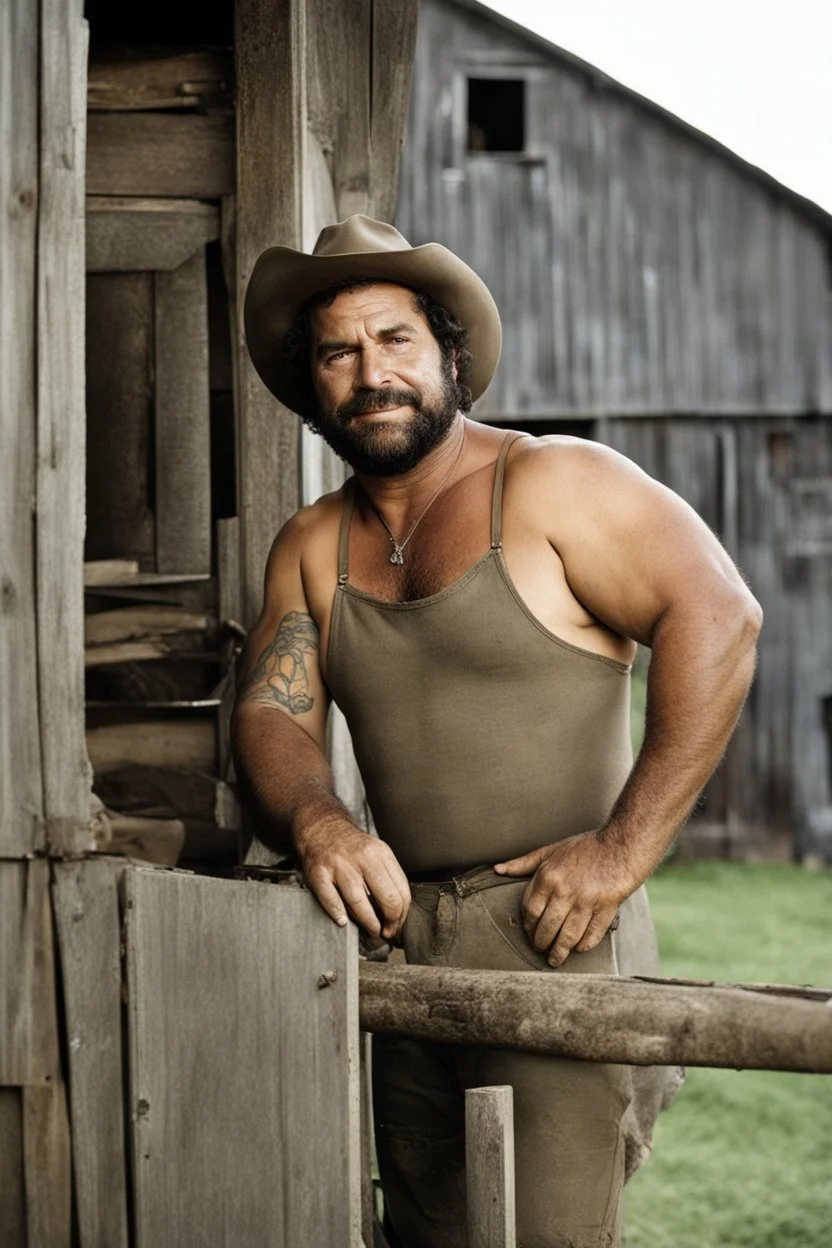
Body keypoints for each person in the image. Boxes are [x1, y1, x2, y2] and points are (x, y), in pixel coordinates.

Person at [233, 215, 761, 1248]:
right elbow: (271, 710)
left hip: (556, 935)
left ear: (451, 358)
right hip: (393, 941)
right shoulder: (309, 544)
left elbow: (720, 615)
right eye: (340, 351)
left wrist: (621, 852)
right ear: (312, 382)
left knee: (549, 1235)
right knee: (425, 1231)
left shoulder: (559, 482)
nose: (370, 372)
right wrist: (320, 824)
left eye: (395, 340)